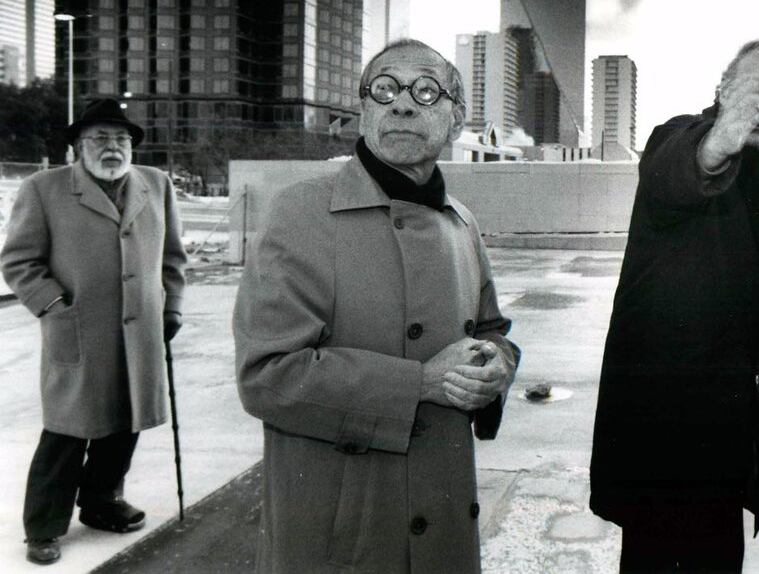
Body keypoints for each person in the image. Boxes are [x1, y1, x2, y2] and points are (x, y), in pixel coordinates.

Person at [233, 39, 520, 574]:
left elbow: (490, 330)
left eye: (427, 91)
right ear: (364, 111)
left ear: (457, 121)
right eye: (385, 88)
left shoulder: (461, 221)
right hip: (343, 529)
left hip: (445, 513)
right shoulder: (302, 212)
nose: (403, 104)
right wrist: (422, 385)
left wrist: (499, 365)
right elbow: (267, 376)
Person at [590, 40, 759, 572]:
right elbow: (678, 171)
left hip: (730, 429)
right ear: (722, 89)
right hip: (667, 427)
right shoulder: (680, 136)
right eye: (753, 85)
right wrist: (717, 144)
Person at [1, 98, 187, 565]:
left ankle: (102, 503)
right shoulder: (45, 189)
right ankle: (43, 527)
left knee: (125, 423)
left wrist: (172, 308)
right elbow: (19, 261)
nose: (113, 147)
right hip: (79, 329)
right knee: (67, 431)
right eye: (100, 138)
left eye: (121, 138)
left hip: (141, 331)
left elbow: (172, 258)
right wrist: (54, 307)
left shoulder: (157, 184)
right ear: (78, 147)